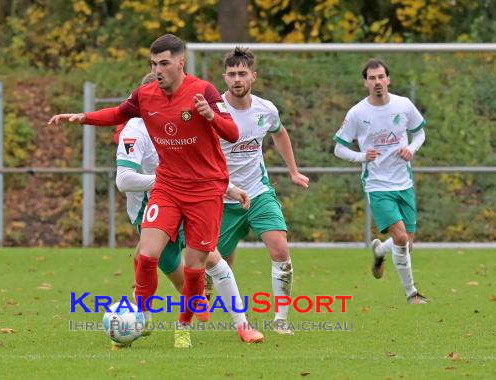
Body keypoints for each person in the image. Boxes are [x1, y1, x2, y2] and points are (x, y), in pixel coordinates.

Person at [49, 34, 241, 348]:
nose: (158, 69)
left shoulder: (202, 91)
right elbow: (117, 113)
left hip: (205, 189)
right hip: (167, 185)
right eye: (153, 63)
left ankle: (183, 327)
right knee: (146, 254)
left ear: (181, 62)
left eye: (164, 63)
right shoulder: (145, 95)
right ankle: (138, 316)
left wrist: (212, 116)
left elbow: (232, 133)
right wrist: (83, 117)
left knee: (195, 268)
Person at [115, 72, 263, 344]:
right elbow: (123, 180)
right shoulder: (134, 132)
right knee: (156, 265)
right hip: (153, 209)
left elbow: (199, 168)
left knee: (213, 260)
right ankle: (147, 318)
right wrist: (167, 181)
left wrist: (227, 188)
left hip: (191, 202)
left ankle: (242, 325)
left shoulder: (182, 121)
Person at [214, 47, 310, 335]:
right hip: (222, 197)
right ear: (224, 77)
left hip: (258, 190)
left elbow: (279, 133)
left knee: (280, 248)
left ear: (253, 76)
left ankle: (280, 320)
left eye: (242, 73)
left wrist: (293, 170)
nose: (236, 79)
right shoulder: (214, 109)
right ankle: (214, 295)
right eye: (231, 74)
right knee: (220, 261)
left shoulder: (265, 109)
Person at [333, 58, 427, 304]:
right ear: (366, 82)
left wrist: (412, 149)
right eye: (372, 78)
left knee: (406, 243)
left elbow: (420, 133)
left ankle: (379, 250)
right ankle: (412, 294)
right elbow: (339, 149)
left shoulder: (403, 105)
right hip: (377, 185)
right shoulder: (357, 113)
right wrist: (362, 156)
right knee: (401, 239)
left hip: (404, 182)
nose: (377, 82)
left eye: (381, 77)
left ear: (388, 79)